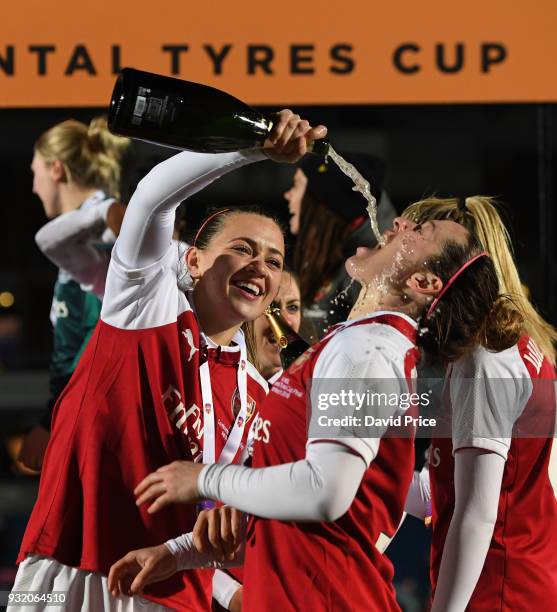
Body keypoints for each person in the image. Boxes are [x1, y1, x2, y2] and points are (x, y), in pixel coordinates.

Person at [108, 212, 518, 611]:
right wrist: (178, 554)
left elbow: (325, 493)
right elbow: (309, 513)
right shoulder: (359, 342)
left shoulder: (370, 350)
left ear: (423, 282)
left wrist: (207, 478)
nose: (400, 223)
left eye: (421, 229)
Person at [10, 110, 326, 611]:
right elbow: (155, 195)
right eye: (242, 249)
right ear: (193, 261)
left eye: (273, 260)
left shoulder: (260, 398)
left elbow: (208, 523)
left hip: (167, 594)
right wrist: (254, 146)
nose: (258, 268)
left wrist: (231, 591)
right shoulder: (145, 302)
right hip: (64, 566)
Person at [402, 196, 557, 611]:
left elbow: (478, 515)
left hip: (499, 593)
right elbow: (464, 488)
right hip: (521, 583)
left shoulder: (484, 358)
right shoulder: (517, 344)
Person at [18, 117, 130, 472]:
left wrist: (54, 419)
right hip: (84, 409)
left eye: (34, 173)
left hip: (101, 414)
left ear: (55, 170)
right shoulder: (80, 232)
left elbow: (102, 333)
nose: (34, 188)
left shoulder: (107, 227)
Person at [211, 268, 302, 612]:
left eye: (292, 307)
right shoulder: (207, 382)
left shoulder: (306, 399)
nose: (283, 322)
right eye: (271, 307)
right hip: (205, 593)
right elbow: (170, 512)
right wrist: (229, 594)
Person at [285, 151, 397, 338]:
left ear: (325, 205)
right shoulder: (339, 255)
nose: (288, 195)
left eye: (297, 186)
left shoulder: (369, 270)